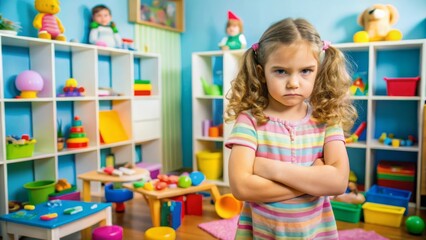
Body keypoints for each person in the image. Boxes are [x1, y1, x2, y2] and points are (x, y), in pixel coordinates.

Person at [224, 18, 357, 239]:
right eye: (281, 71)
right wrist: (313, 180)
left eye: (305, 70)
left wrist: (268, 169)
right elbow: (241, 188)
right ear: (261, 73)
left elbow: (338, 182)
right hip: (264, 234)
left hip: (316, 233)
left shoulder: (327, 119)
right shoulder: (249, 121)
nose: (294, 82)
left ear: (318, 70)